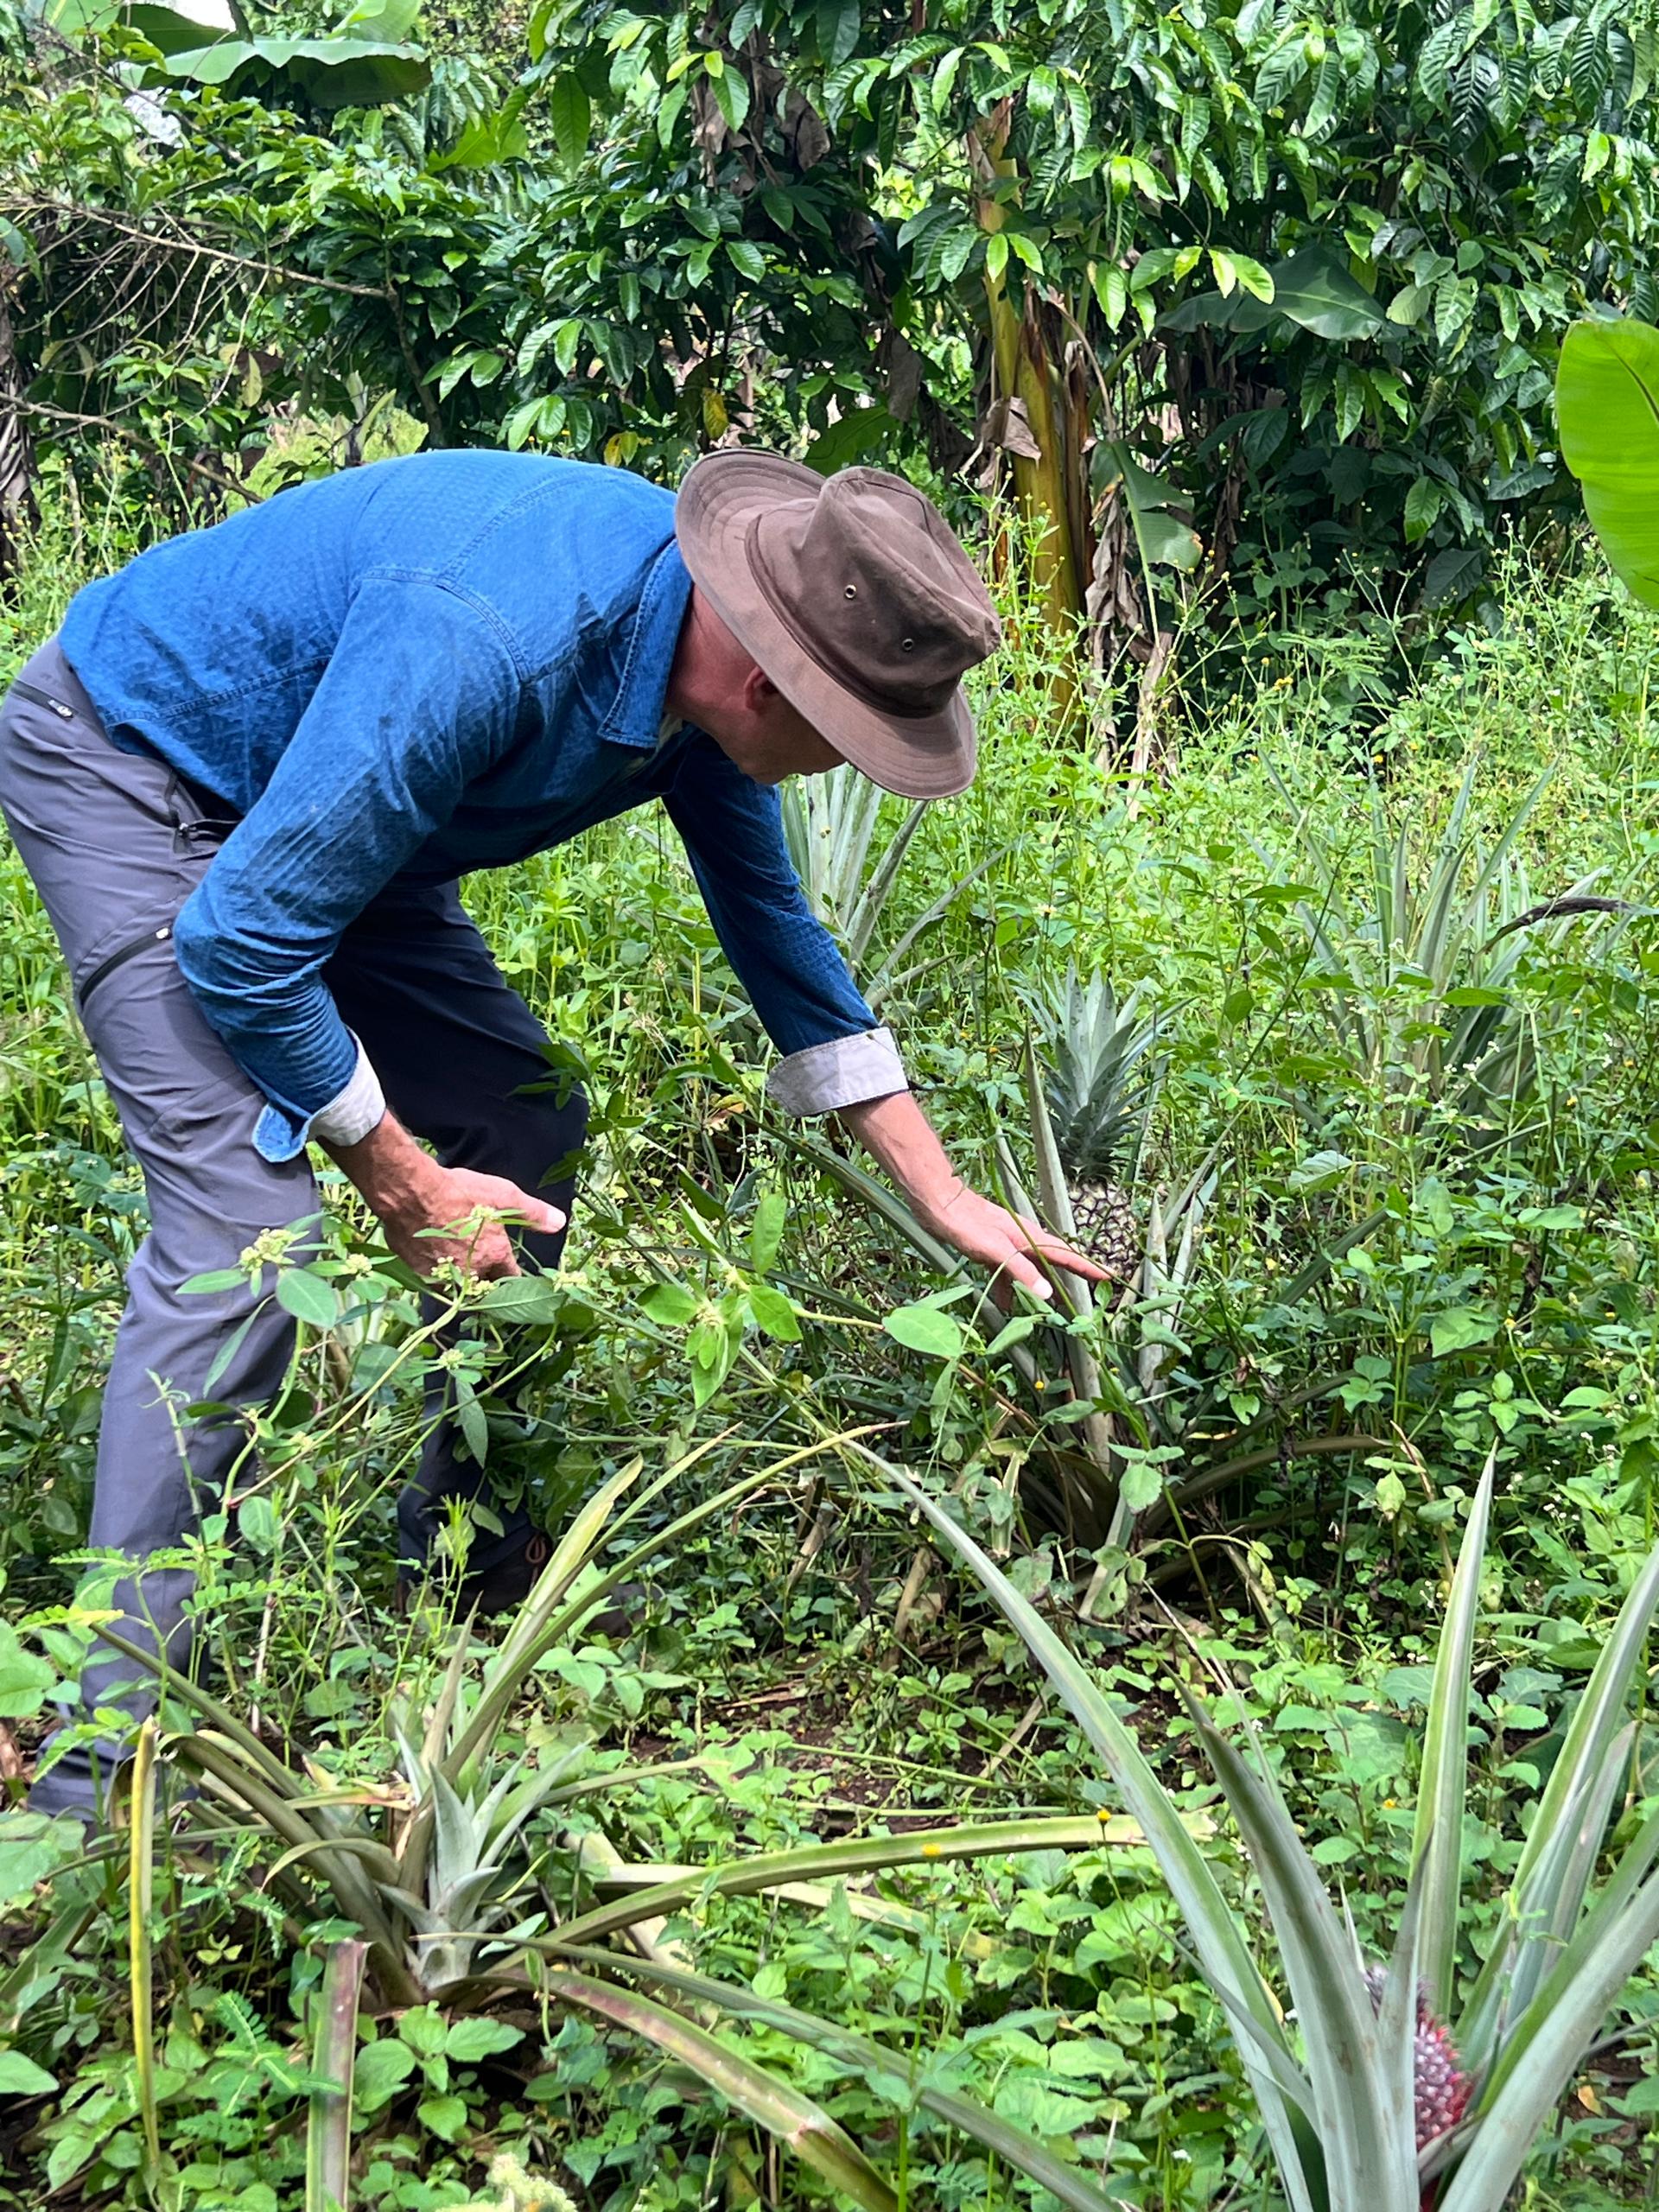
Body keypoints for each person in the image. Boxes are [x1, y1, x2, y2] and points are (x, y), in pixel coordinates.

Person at [0, 448, 1103, 1822]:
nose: (859, 771)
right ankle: (107, 1755)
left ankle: (465, 1551)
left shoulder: (698, 687)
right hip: (140, 768)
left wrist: (944, 1196)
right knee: (250, 1226)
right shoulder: (493, 642)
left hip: (348, 805)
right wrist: (399, 1179)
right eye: (857, 740)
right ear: (775, 683)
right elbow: (243, 946)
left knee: (519, 1120)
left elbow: (782, 941)